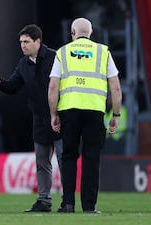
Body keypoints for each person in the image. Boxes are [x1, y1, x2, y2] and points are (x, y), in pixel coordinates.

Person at [0, 24, 63, 212]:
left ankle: (68, 201)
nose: (23, 45)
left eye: (26, 42)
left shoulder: (55, 58)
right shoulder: (24, 63)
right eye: (21, 42)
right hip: (39, 119)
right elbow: (13, 87)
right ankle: (44, 201)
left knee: (63, 160)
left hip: (60, 117)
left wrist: (59, 113)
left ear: (38, 41)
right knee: (42, 162)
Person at [48, 17, 122, 213]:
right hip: (95, 112)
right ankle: (89, 207)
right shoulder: (103, 52)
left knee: (69, 157)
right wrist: (116, 114)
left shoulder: (62, 52)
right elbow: (115, 86)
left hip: (69, 112)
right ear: (91, 32)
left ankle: (68, 204)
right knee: (91, 158)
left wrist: (53, 113)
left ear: (72, 33)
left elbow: (53, 85)